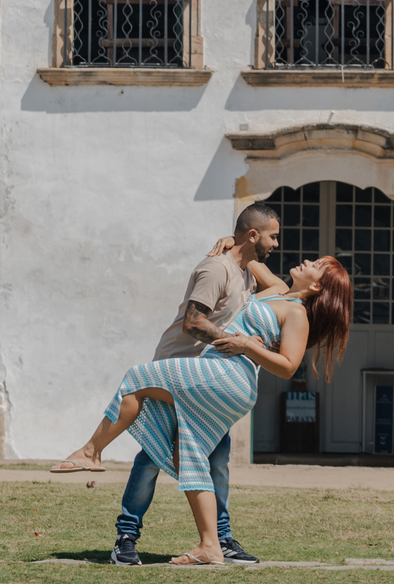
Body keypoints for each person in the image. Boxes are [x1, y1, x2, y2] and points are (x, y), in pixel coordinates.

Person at [53, 245, 352, 568]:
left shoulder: (296, 313)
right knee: (188, 456)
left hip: (227, 376)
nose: (307, 260)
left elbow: (288, 366)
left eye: (316, 265)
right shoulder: (278, 290)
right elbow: (249, 258)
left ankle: (91, 452)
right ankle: (211, 545)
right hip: (220, 377)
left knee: (137, 379)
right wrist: (231, 239)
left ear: (317, 286)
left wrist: (247, 345)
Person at [108, 204, 286, 566]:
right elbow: (192, 322)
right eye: (273, 236)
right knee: (152, 458)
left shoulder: (245, 272)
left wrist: (242, 251)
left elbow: (280, 287)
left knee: (217, 458)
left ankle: (220, 540)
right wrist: (236, 342)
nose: (277, 244)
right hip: (176, 372)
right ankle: (125, 538)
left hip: (207, 378)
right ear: (254, 235)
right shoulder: (215, 269)